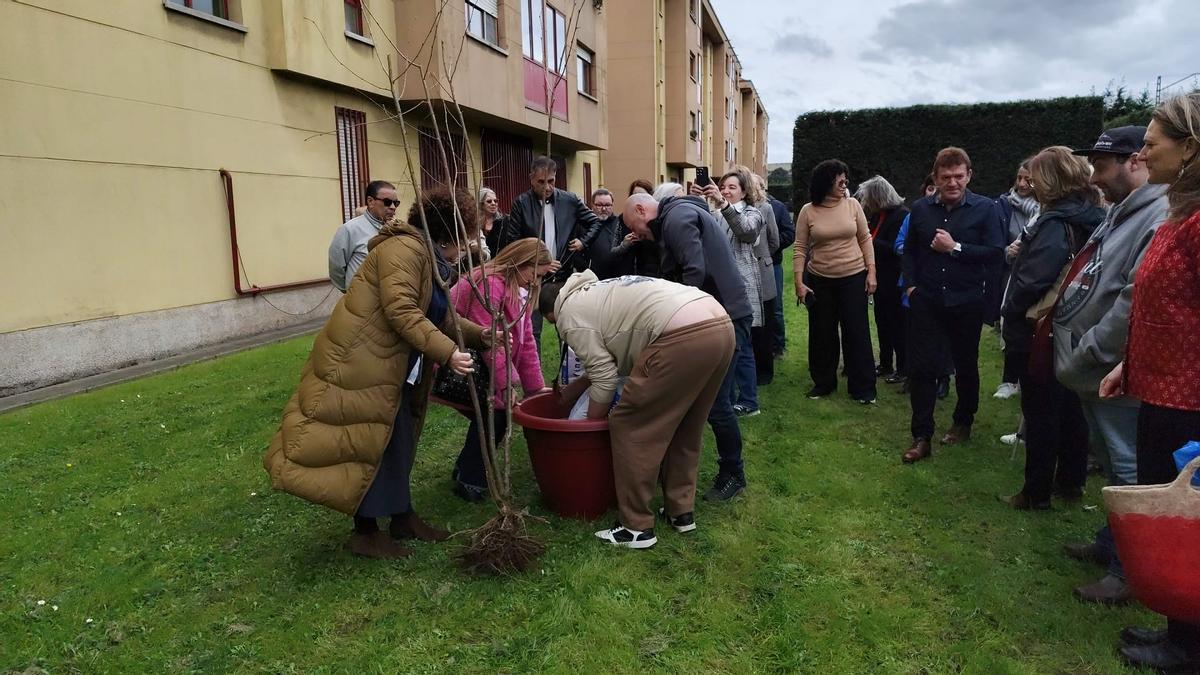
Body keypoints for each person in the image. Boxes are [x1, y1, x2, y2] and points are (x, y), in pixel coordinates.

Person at [264, 187, 498, 559]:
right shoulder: (405, 251)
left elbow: (438, 313)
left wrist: (479, 336)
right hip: (362, 363)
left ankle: (402, 516)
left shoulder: (427, 257)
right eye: (465, 240)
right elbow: (403, 312)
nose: (466, 250)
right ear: (448, 235)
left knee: (397, 440)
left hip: (389, 365)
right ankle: (366, 532)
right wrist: (449, 352)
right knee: (365, 443)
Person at [1099, 93, 1200, 673]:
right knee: (1175, 515)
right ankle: (1180, 630)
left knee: (1189, 517)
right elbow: (1165, 308)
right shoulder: (1180, 210)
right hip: (1161, 388)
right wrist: (1128, 364)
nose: (1143, 150)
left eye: (1153, 140)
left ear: (1190, 148)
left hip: (1190, 401)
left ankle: (1189, 646)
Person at [1052, 126, 1167, 604]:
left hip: (1110, 363)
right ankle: (1110, 542)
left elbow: (1133, 297)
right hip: (1091, 360)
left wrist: (1096, 350)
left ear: (1135, 163)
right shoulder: (1121, 211)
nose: (1094, 177)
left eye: (1102, 166)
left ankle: (1128, 572)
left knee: (1128, 467)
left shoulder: (1157, 215)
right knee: (1110, 456)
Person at [540, 271, 735, 549]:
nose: (557, 330)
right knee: (686, 424)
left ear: (553, 311)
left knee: (630, 424)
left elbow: (606, 379)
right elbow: (614, 357)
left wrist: (587, 429)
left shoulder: (568, 314)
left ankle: (635, 528)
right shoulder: (597, 291)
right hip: (719, 323)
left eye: (552, 324)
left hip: (680, 335)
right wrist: (574, 390)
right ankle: (680, 512)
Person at [623, 191, 751, 501]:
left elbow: (696, 271)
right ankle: (673, 468)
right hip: (719, 314)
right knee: (699, 400)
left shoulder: (677, 220)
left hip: (725, 318)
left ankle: (733, 473)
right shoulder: (677, 218)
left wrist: (674, 318)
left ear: (641, 210)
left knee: (717, 402)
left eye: (635, 228)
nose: (637, 236)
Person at [999, 147, 1104, 509]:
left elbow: (1034, 278)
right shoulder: (1096, 216)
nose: (1030, 183)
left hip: (1043, 327)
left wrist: (1012, 309)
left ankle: (1035, 492)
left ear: (1051, 180)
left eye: (1036, 176)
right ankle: (1071, 483)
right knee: (1072, 404)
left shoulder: (1054, 222)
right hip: (1079, 322)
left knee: (1041, 408)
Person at [900, 147, 1005, 464]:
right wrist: (911, 286)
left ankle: (963, 420)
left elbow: (995, 253)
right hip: (928, 299)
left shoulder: (986, 209)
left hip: (965, 300)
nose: (953, 183)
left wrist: (955, 247)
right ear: (935, 178)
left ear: (969, 175)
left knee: (965, 364)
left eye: (959, 176)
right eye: (946, 177)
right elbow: (910, 252)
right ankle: (922, 435)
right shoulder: (920, 209)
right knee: (922, 367)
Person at [449, 238, 554, 502]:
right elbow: (490, 344)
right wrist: (506, 386)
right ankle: (470, 479)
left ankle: (465, 469)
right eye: (535, 273)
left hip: (485, 365)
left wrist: (535, 387)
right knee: (494, 414)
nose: (535, 281)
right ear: (520, 262)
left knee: (494, 414)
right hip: (463, 361)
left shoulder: (519, 289)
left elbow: (526, 338)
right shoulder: (489, 285)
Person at [794, 159, 878, 404]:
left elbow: (865, 239)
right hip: (820, 280)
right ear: (826, 183)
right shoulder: (808, 211)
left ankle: (863, 388)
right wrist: (799, 282)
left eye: (845, 179)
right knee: (822, 333)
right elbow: (799, 248)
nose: (845, 184)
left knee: (857, 331)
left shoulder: (853, 205)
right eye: (839, 180)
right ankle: (824, 383)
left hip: (854, 277)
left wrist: (871, 272)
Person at [690, 168, 764, 416]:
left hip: (740, 288)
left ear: (744, 191)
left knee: (741, 347)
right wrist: (697, 200)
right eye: (722, 187)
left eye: (732, 187)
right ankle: (726, 399)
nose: (725, 191)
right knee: (723, 346)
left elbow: (746, 231)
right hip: (716, 287)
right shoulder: (715, 211)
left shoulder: (753, 212)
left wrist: (723, 204)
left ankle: (749, 401)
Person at [505, 156, 603, 343]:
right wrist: (537, 263)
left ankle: (567, 371)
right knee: (532, 332)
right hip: (532, 279)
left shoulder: (570, 200)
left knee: (567, 328)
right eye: (541, 182)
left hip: (563, 275)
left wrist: (583, 241)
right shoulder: (521, 203)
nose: (547, 187)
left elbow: (595, 222)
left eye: (551, 181)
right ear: (531, 179)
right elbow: (513, 241)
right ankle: (534, 371)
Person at [856, 176, 909, 383]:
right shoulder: (879, 216)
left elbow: (899, 249)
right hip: (878, 277)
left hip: (894, 278)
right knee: (882, 321)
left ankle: (903, 367)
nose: (866, 202)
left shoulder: (901, 216)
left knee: (897, 324)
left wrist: (870, 241)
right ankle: (886, 363)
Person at [993, 160, 1040, 400]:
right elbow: (994, 240)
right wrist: (1006, 252)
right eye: (1019, 178)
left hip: (1035, 272)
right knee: (1011, 322)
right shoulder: (1003, 205)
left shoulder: (1043, 209)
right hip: (1010, 272)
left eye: (1028, 179)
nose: (1022, 184)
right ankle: (1009, 380)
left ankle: (1027, 379)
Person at [328, 180, 398, 292]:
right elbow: (336, 268)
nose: (393, 207)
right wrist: (350, 290)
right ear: (370, 201)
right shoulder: (350, 229)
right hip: (360, 302)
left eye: (396, 203)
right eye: (387, 202)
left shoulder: (396, 230)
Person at [750, 174, 780, 386]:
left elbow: (774, 240)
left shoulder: (765, 208)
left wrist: (762, 257)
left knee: (764, 323)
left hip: (762, 269)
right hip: (741, 274)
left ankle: (764, 372)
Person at [767, 192, 795, 358]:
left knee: (775, 307)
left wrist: (771, 246)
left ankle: (778, 345)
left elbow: (790, 233)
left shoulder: (777, 207)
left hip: (773, 263)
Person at [584, 188, 632, 280]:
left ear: (612, 205)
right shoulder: (584, 226)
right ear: (592, 205)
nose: (604, 209)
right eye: (599, 205)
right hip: (592, 280)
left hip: (618, 279)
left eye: (607, 205)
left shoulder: (622, 224)